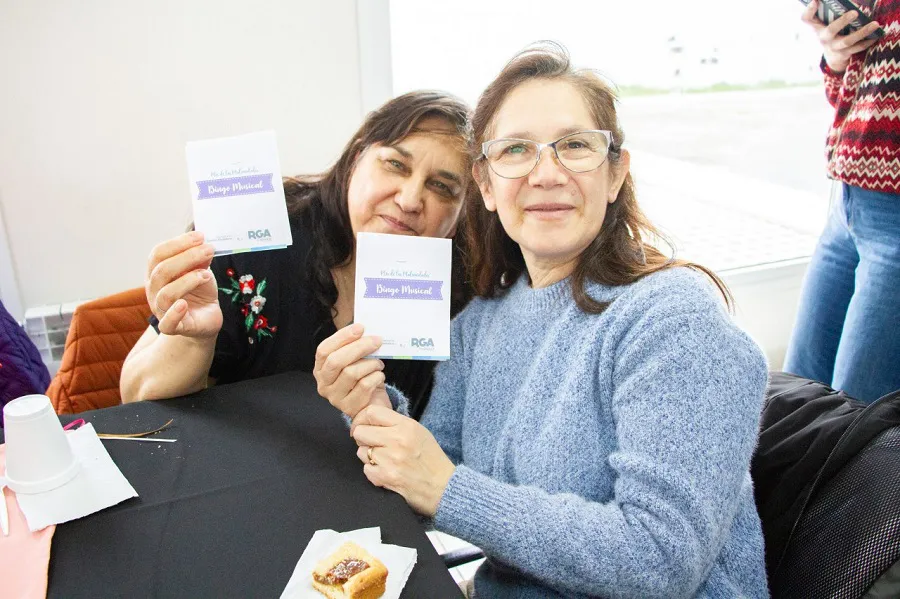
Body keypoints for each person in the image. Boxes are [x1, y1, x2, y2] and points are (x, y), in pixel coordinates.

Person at [315, 46, 770, 598]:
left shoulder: (674, 320)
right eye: (516, 150)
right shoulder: (479, 324)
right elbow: (429, 474)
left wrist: (448, 489)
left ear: (615, 175)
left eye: (575, 146)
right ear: (485, 185)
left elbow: (662, 561)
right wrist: (372, 407)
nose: (546, 174)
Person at [120, 91, 472, 419]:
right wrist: (194, 341)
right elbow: (135, 395)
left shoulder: (465, 300)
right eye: (396, 164)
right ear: (355, 160)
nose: (410, 200)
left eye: (442, 187)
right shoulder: (258, 242)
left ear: (459, 217)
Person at [784, 0, 900, 402]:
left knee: (858, 423)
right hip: (848, 200)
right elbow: (855, 99)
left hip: (894, 215)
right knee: (794, 397)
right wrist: (837, 56)